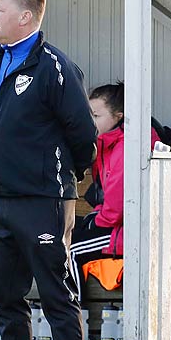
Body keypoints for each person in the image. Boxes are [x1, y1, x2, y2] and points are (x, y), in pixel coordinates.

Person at [0, 0, 98, 340]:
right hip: (1, 201)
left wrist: (62, 179)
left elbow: (84, 134)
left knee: (55, 291)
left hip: (45, 200)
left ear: (26, 17)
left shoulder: (54, 66)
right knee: (4, 297)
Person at [67, 83, 156, 285]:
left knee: (68, 250)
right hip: (117, 226)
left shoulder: (128, 148)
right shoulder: (105, 143)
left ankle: (72, 316)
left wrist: (92, 223)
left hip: (131, 233)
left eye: (96, 117)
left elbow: (114, 212)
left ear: (119, 116)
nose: (90, 122)